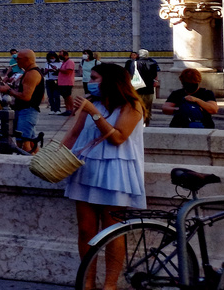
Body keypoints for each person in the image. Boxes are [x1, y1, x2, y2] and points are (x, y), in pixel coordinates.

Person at [61, 61, 146, 284]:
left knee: (112, 232)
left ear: (109, 81)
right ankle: (87, 282)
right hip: (86, 169)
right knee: (85, 230)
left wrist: (95, 113)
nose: (89, 83)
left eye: (94, 78)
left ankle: (110, 284)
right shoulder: (91, 102)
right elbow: (74, 134)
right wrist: (55, 155)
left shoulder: (131, 105)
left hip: (115, 172)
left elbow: (118, 138)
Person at [0, 49, 45, 153]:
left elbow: (26, 97)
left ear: (26, 60)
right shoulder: (29, 72)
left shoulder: (32, 74)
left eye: (18, 59)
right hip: (26, 111)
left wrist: (9, 90)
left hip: (27, 111)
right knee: (31, 142)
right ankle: (38, 161)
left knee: (23, 142)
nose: (16, 61)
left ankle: (26, 164)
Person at [126, 51, 159, 125]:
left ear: (138, 55)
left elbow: (129, 74)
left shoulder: (133, 63)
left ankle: (137, 122)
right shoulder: (152, 63)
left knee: (137, 106)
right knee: (147, 107)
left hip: (137, 88)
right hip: (149, 89)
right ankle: (146, 122)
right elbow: (154, 75)